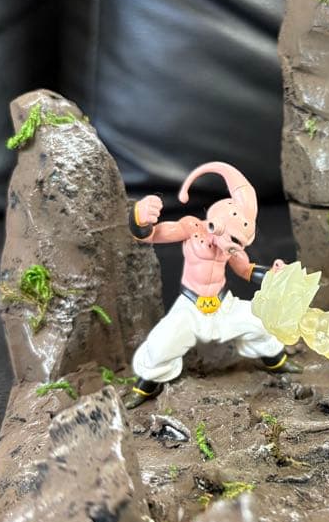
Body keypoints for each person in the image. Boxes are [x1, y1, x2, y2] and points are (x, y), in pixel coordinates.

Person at [124, 161, 292, 408]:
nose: (236, 248)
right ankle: (145, 386)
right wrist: (140, 217)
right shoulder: (192, 229)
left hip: (223, 304)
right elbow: (151, 235)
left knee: (262, 321)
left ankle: (277, 362)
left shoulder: (233, 246)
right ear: (215, 226)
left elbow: (245, 269)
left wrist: (273, 275)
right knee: (161, 345)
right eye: (234, 241)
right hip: (191, 307)